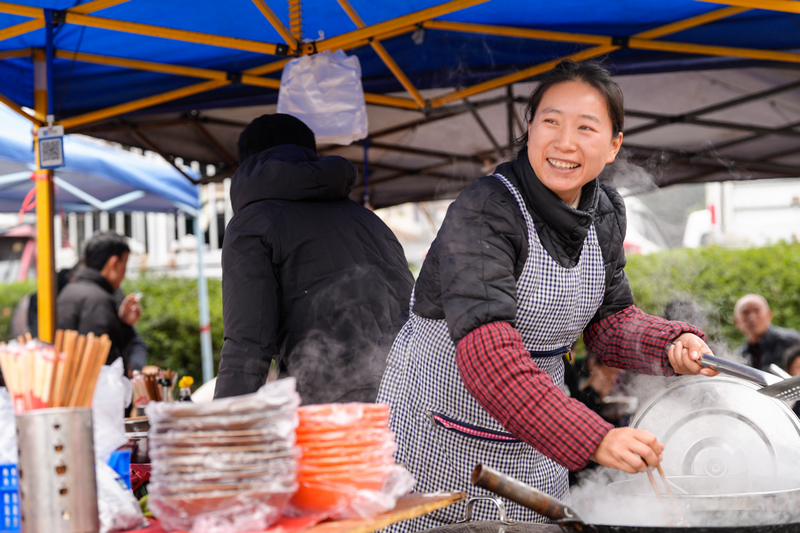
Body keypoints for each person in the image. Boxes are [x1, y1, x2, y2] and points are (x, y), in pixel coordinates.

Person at [377, 60, 717, 530]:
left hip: (536, 436)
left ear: (614, 144)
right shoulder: (485, 208)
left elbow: (609, 322)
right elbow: (488, 353)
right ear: (529, 128)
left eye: (585, 127)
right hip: (436, 430)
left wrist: (668, 344)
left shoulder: (604, 213)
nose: (564, 142)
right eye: (550, 122)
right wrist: (594, 437)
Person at [214, 113, 414, 404]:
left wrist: (221, 430)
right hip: (404, 402)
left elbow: (248, 347)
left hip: (328, 413)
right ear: (310, 155)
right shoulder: (369, 221)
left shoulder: (252, 223)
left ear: (247, 164)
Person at [56, 231, 142, 367]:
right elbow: (105, 361)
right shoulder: (98, 300)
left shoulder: (70, 290)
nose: (124, 273)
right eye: (125, 264)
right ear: (114, 263)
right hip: (93, 386)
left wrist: (124, 324)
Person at [733, 294, 800, 371]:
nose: (752, 317)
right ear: (736, 321)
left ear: (769, 314)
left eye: (757, 310)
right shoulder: (739, 355)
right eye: (745, 312)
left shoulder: (792, 341)